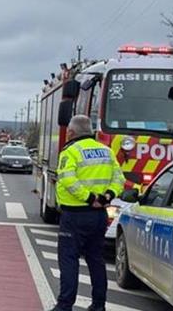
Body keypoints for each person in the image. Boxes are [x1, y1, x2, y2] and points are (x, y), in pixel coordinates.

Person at [49, 115, 124, 311]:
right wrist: (106, 197)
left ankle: (65, 306)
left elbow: (67, 179)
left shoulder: (71, 152)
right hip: (99, 216)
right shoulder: (107, 151)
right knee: (96, 260)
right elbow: (119, 179)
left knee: (69, 259)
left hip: (74, 215)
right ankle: (98, 305)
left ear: (71, 132)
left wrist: (90, 198)